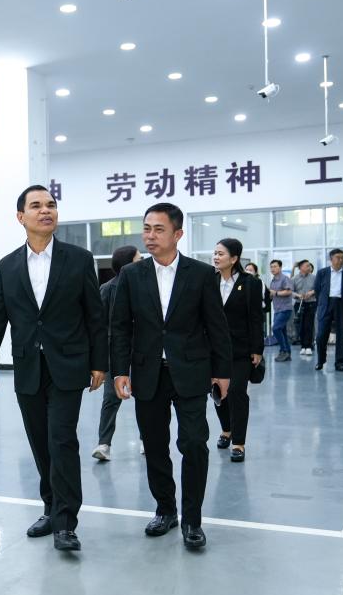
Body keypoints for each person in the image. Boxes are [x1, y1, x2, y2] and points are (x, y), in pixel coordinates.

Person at [0, 185, 107, 552]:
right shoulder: (7, 266)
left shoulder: (79, 259)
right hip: (28, 367)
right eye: (36, 206)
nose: (45, 210)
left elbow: (95, 316)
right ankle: (50, 507)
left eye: (51, 205)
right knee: (39, 442)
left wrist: (100, 362)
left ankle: (66, 523)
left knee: (61, 439)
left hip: (68, 365)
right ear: (21, 217)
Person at [110, 203, 231, 550]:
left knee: (193, 443)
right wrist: (119, 371)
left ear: (178, 234)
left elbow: (217, 326)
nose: (150, 236)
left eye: (158, 229)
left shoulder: (201, 274)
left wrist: (222, 372)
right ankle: (166, 510)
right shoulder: (132, 275)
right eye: (146, 228)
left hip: (191, 371)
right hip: (148, 373)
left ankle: (193, 519)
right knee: (154, 446)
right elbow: (120, 327)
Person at [212, 239, 263, 463]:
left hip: (241, 349)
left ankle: (239, 443)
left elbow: (255, 318)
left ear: (234, 259)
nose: (216, 257)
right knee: (217, 392)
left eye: (221, 254)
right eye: (215, 253)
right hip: (214, 349)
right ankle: (226, 429)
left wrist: (257, 349)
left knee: (236, 392)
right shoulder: (209, 281)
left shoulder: (250, 283)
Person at [92, 245, 142, 462]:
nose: (143, 262)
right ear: (127, 264)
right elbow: (98, 326)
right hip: (115, 352)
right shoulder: (106, 289)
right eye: (139, 259)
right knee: (111, 399)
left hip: (142, 351)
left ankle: (147, 438)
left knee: (146, 397)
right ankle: (104, 444)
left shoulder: (145, 287)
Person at [314, 248, 343, 372]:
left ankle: (340, 363)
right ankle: (321, 360)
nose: (341, 260)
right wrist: (322, 303)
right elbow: (317, 290)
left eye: (342, 257)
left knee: (341, 335)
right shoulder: (322, 273)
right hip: (326, 305)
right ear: (331, 259)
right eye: (338, 257)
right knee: (321, 335)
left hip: (341, 305)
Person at [268, 260, 293, 361]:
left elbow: (289, 291)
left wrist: (276, 293)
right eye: (271, 267)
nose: (272, 269)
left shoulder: (285, 279)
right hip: (277, 309)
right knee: (282, 331)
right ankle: (288, 353)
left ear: (280, 267)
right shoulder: (273, 281)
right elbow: (272, 294)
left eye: (275, 266)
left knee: (276, 329)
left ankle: (283, 350)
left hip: (285, 308)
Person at [292, 260, 317, 356]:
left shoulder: (314, 277)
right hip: (299, 304)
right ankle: (303, 346)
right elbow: (291, 291)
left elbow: (318, 288)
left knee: (309, 325)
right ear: (301, 267)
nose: (309, 267)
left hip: (311, 303)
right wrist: (298, 295)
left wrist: (311, 292)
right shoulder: (295, 278)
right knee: (300, 326)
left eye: (309, 266)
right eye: (307, 266)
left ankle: (309, 346)